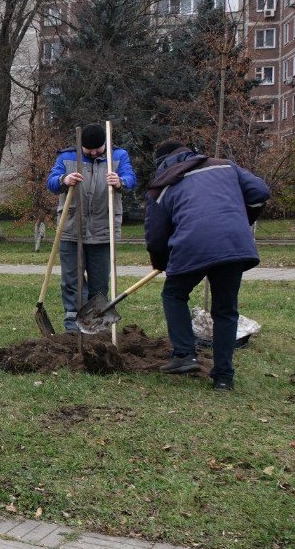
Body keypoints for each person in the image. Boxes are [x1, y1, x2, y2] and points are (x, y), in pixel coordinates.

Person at [145, 139, 270, 391]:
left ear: (162, 164)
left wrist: (162, 264)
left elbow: (156, 238)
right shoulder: (224, 166)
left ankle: (184, 354)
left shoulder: (162, 187)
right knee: (225, 310)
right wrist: (239, 219)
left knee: (174, 294)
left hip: (192, 245)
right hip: (233, 244)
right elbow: (260, 192)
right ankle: (223, 378)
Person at [47, 123, 137, 331]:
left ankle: (96, 325)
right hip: (71, 228)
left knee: (99, 283)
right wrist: (64, 179)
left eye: (99, 148)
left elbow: (131, 179)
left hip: (103, 229)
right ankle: (72, 325)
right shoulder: (67, 157)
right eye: (90, 150)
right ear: (82, 147)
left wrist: (120, 181)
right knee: (72, 280)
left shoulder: (118, 156)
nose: (95, 152)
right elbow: (51, 182)